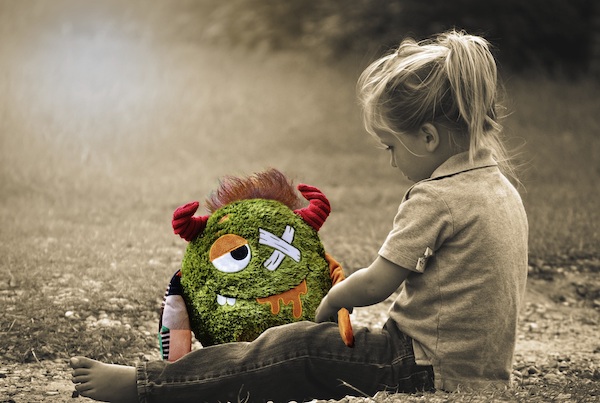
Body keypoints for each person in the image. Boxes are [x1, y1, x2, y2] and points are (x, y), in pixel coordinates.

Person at [71, 29, 528, 403]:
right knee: (314, 352)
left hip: (421, 367)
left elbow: (376, 283)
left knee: (295, 348)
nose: (391, 162)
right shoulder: (500, 189)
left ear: (427, 137)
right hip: (479, 373)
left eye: (391, 146)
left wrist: (329, 305)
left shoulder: (437, 196)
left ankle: (148, 385)